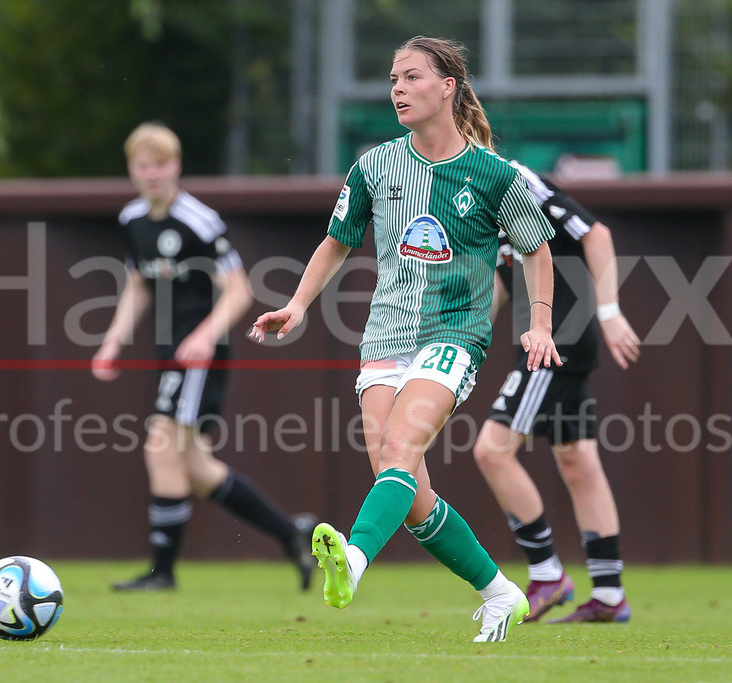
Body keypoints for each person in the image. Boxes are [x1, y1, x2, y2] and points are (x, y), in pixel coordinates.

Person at [250, 36, 561, 642]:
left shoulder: (495, 175)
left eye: (411, 77)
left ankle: (354, 561)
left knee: (397, 451)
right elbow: (337, 241)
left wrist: (541, 320)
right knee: (409, 488)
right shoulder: (375, 165)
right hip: (383, 339)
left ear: (448, 87)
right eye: (392, 78)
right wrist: (295, 305)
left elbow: (537, 248)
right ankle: (501, 594)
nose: (396, 87)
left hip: (454, 335)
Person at [93, 122, 317, 592]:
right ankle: (291, 533)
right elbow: (137, 284)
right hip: (168, 352)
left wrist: (203, 336)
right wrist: (114, 339)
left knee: (160, 446)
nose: (152, 174)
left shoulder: (198, 221)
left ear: (176, 167)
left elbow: (238, 292)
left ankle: (162, 573)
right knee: (194, 466)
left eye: (161, 164)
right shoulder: (132, 220)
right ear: (132, 170)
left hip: (199, 354)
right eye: (143, 165)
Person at [472, 164, 640, 623]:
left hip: (557, 343)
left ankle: (547, 574)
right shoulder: (469, 190)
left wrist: (609, 311)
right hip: (556, 341)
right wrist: (464, 340)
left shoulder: (513, 178)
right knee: (578, 461)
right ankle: (608, 595)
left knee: (492, 451)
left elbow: (596, 233)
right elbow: (500, 280)